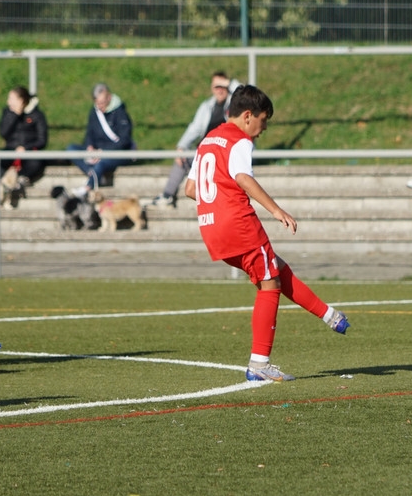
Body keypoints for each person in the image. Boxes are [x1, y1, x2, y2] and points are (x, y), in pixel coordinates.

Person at [185, 84, 352, 382]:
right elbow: (242, 177)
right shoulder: (239, 140)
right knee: (269, 283)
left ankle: (329, 315)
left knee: (274, 267)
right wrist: (276, 210)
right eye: (263, 120)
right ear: (248, 116)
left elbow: (189, 189)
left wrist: (217, 202)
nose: (263, 129)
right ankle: (259, 363)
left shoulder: (208, 140)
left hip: (211, 227)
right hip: (238, 224)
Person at [151, 71, 239, 209]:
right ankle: (167, 196)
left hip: (227, 150)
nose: (220, 90)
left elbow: (249, 93)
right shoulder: (207, 106)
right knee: (182, 158)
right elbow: (195, 128)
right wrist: (182, 146)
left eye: (222, 86)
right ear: (211, 88)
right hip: (208, 150)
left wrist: (229, 83)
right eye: (216, 86)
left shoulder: (236, 104)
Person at [67, 82, 136, 193]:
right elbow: (89, 133)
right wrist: (89, 147)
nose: (100, 106)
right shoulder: (94, 112)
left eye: (102, 103)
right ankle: (94, 174)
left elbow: (124, 140)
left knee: (101, 162)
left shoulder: (120, 113)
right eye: (97, 103)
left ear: (109, 97)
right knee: (71, 149)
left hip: (116, 152)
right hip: (97, 151)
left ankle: (87, 188)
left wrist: (103, 152)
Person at [0, 85, 48, 188]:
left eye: (11, 99)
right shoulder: (8, 112)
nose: (8, 102)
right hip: (11, 150)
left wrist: (25, 148)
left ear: (21, 100)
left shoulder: (37, 115)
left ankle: (20, 179)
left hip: (28, 152)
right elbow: (3, 133)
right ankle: (5, 180)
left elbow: (42, 140)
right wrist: (14, 115)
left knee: (36, 163)